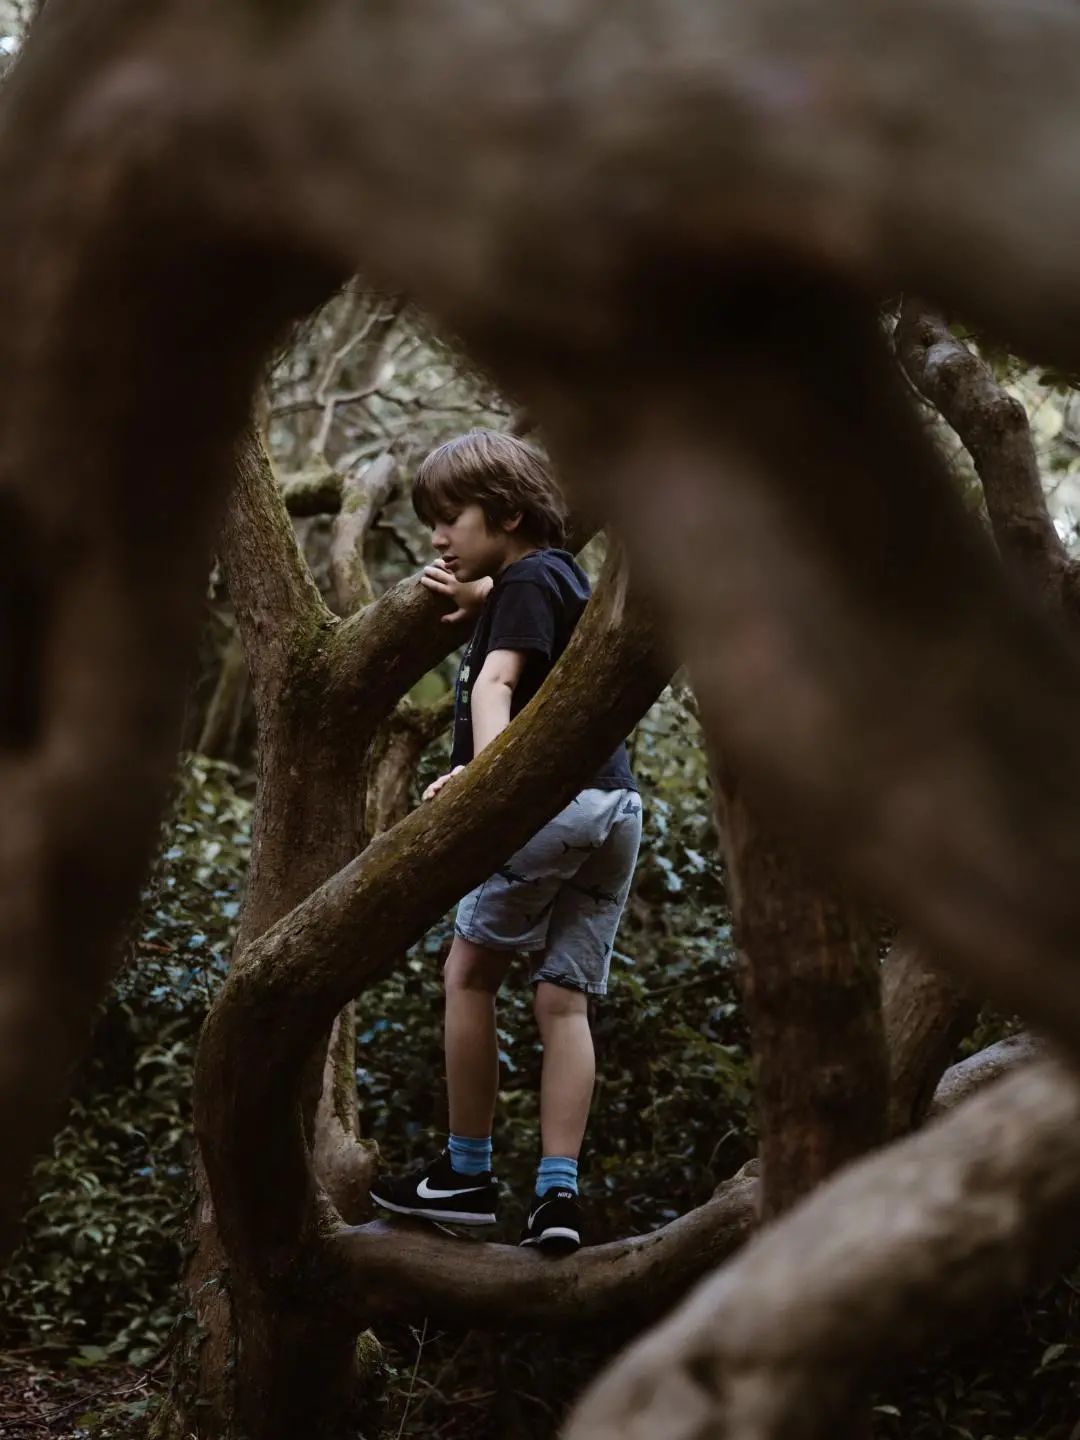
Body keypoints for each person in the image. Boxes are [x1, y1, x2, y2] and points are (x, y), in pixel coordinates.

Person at [369, 429, 642, 1255]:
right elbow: (547, 636)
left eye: (451, 517)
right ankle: (557, 1197)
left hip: (548, 808)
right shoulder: (554, 579)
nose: (438, 536)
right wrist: (483, 601)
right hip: (615, 812)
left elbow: (499, 682)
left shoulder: (525, 577)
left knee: (469, 975)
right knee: (563, 1000)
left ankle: (466, 1175)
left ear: (510, 513)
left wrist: (491, 787)